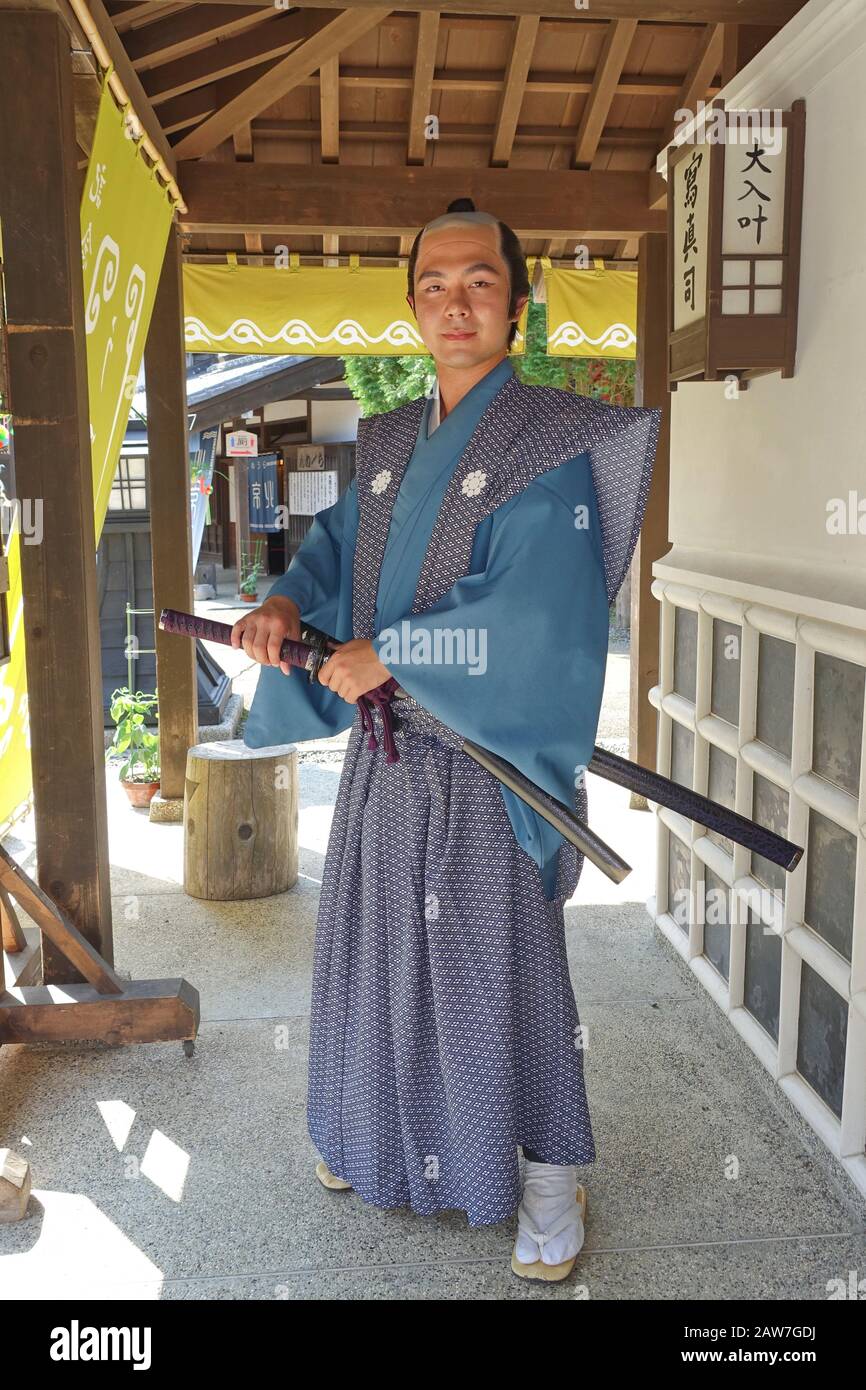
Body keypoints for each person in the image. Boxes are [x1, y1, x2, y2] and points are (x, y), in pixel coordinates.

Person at [235, 199, 660, 1283]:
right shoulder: (384, 443)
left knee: (497, 971)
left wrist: (398, 654)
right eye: (432, 285)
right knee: (378, 959)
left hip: (482, 766)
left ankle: (548, 1181)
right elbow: (333, 554)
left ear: (516, 303)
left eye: (478, 280)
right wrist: (287, 604)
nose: (453, 301)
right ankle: (379, 1137)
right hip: (385, 765)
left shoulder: (552, 441)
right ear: (412, 307)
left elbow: (540, 610)